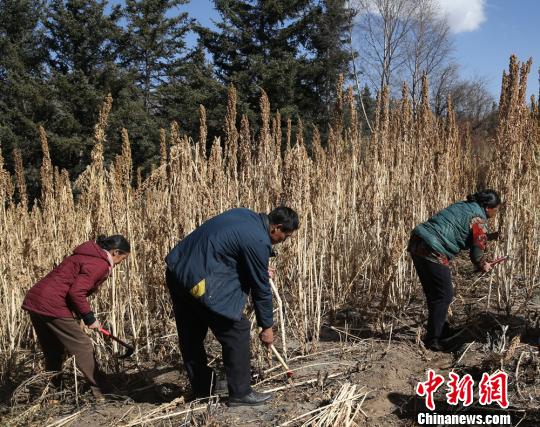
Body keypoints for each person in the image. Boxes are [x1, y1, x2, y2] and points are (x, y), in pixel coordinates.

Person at [165, 206, 299, 407]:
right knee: (237, 330)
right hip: (197, 279)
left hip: (177, 270)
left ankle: (203, 387)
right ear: (276, 228)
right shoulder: (258, 240)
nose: (283, 241)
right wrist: (267, 327)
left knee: (191, 333)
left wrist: (257, 266)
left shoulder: (243, 215)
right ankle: (241, 393)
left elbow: (227, 251)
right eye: (285, 236)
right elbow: (260, 289)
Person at [22, 235, 130, 400]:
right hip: (52, 303)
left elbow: (67, 285)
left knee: (53, 349)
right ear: (115, 252)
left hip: (36, 301)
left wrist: (79, 316)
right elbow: (76, 292)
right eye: (122, 259)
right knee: (83, 346)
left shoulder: (85, 255)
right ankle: (102, 390)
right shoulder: (100, 263)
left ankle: (53, 392)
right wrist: (89, 317)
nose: (119, 264)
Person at [408, 190, 501, 351]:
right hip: (433, 249)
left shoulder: (464, 206)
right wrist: (483, 264)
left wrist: (489, 236)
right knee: (445, 294)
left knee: (435, 293)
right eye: (496, 209)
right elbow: (476, 252)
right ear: (488, 208)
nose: (496, 212)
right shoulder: (479, 218)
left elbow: (460, 231)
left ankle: (441, 330)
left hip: (418, 241)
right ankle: (434, 340)